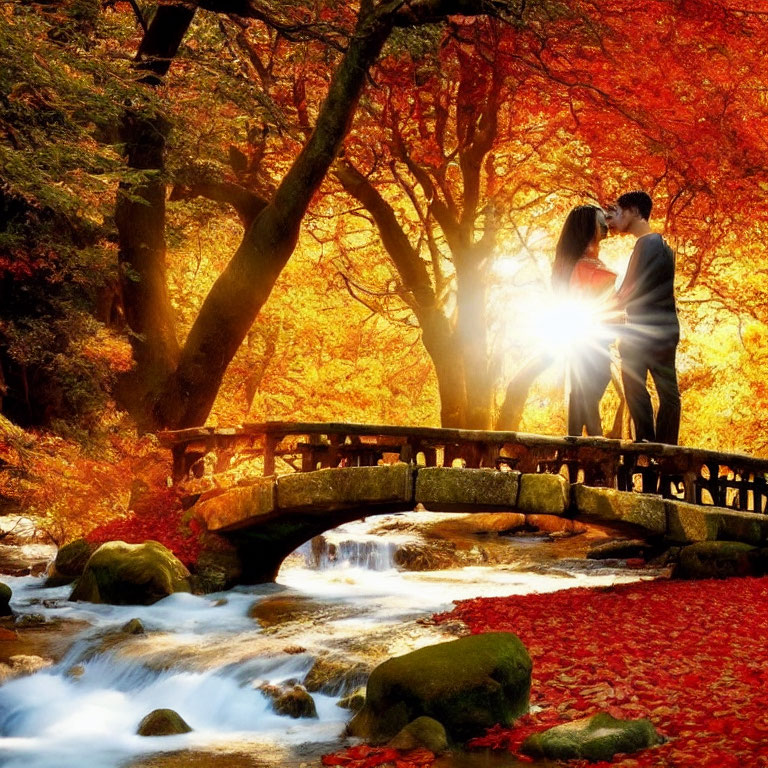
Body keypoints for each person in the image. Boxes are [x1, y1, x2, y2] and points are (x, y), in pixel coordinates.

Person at [606, 190, 680, 444]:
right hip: (666, 329)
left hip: (642, 333)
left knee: (637, 389)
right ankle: (666, 450)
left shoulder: (647, 243)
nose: (611, 218)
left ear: (635, 211)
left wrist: (597, 311)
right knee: (668, 392)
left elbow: (629, 290)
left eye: (617, 211)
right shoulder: (664, 247)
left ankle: (649, 448)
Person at [552, 204, 618, 436]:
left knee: (581, 392)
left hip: (593, 338)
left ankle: (576, 443)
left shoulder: (583, 262)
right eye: (600, 222)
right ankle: (595, 441)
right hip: (589, 338)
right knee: (588, 388)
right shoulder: (581, 266)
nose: (605, 226)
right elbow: (586, 304)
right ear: (587, 228)